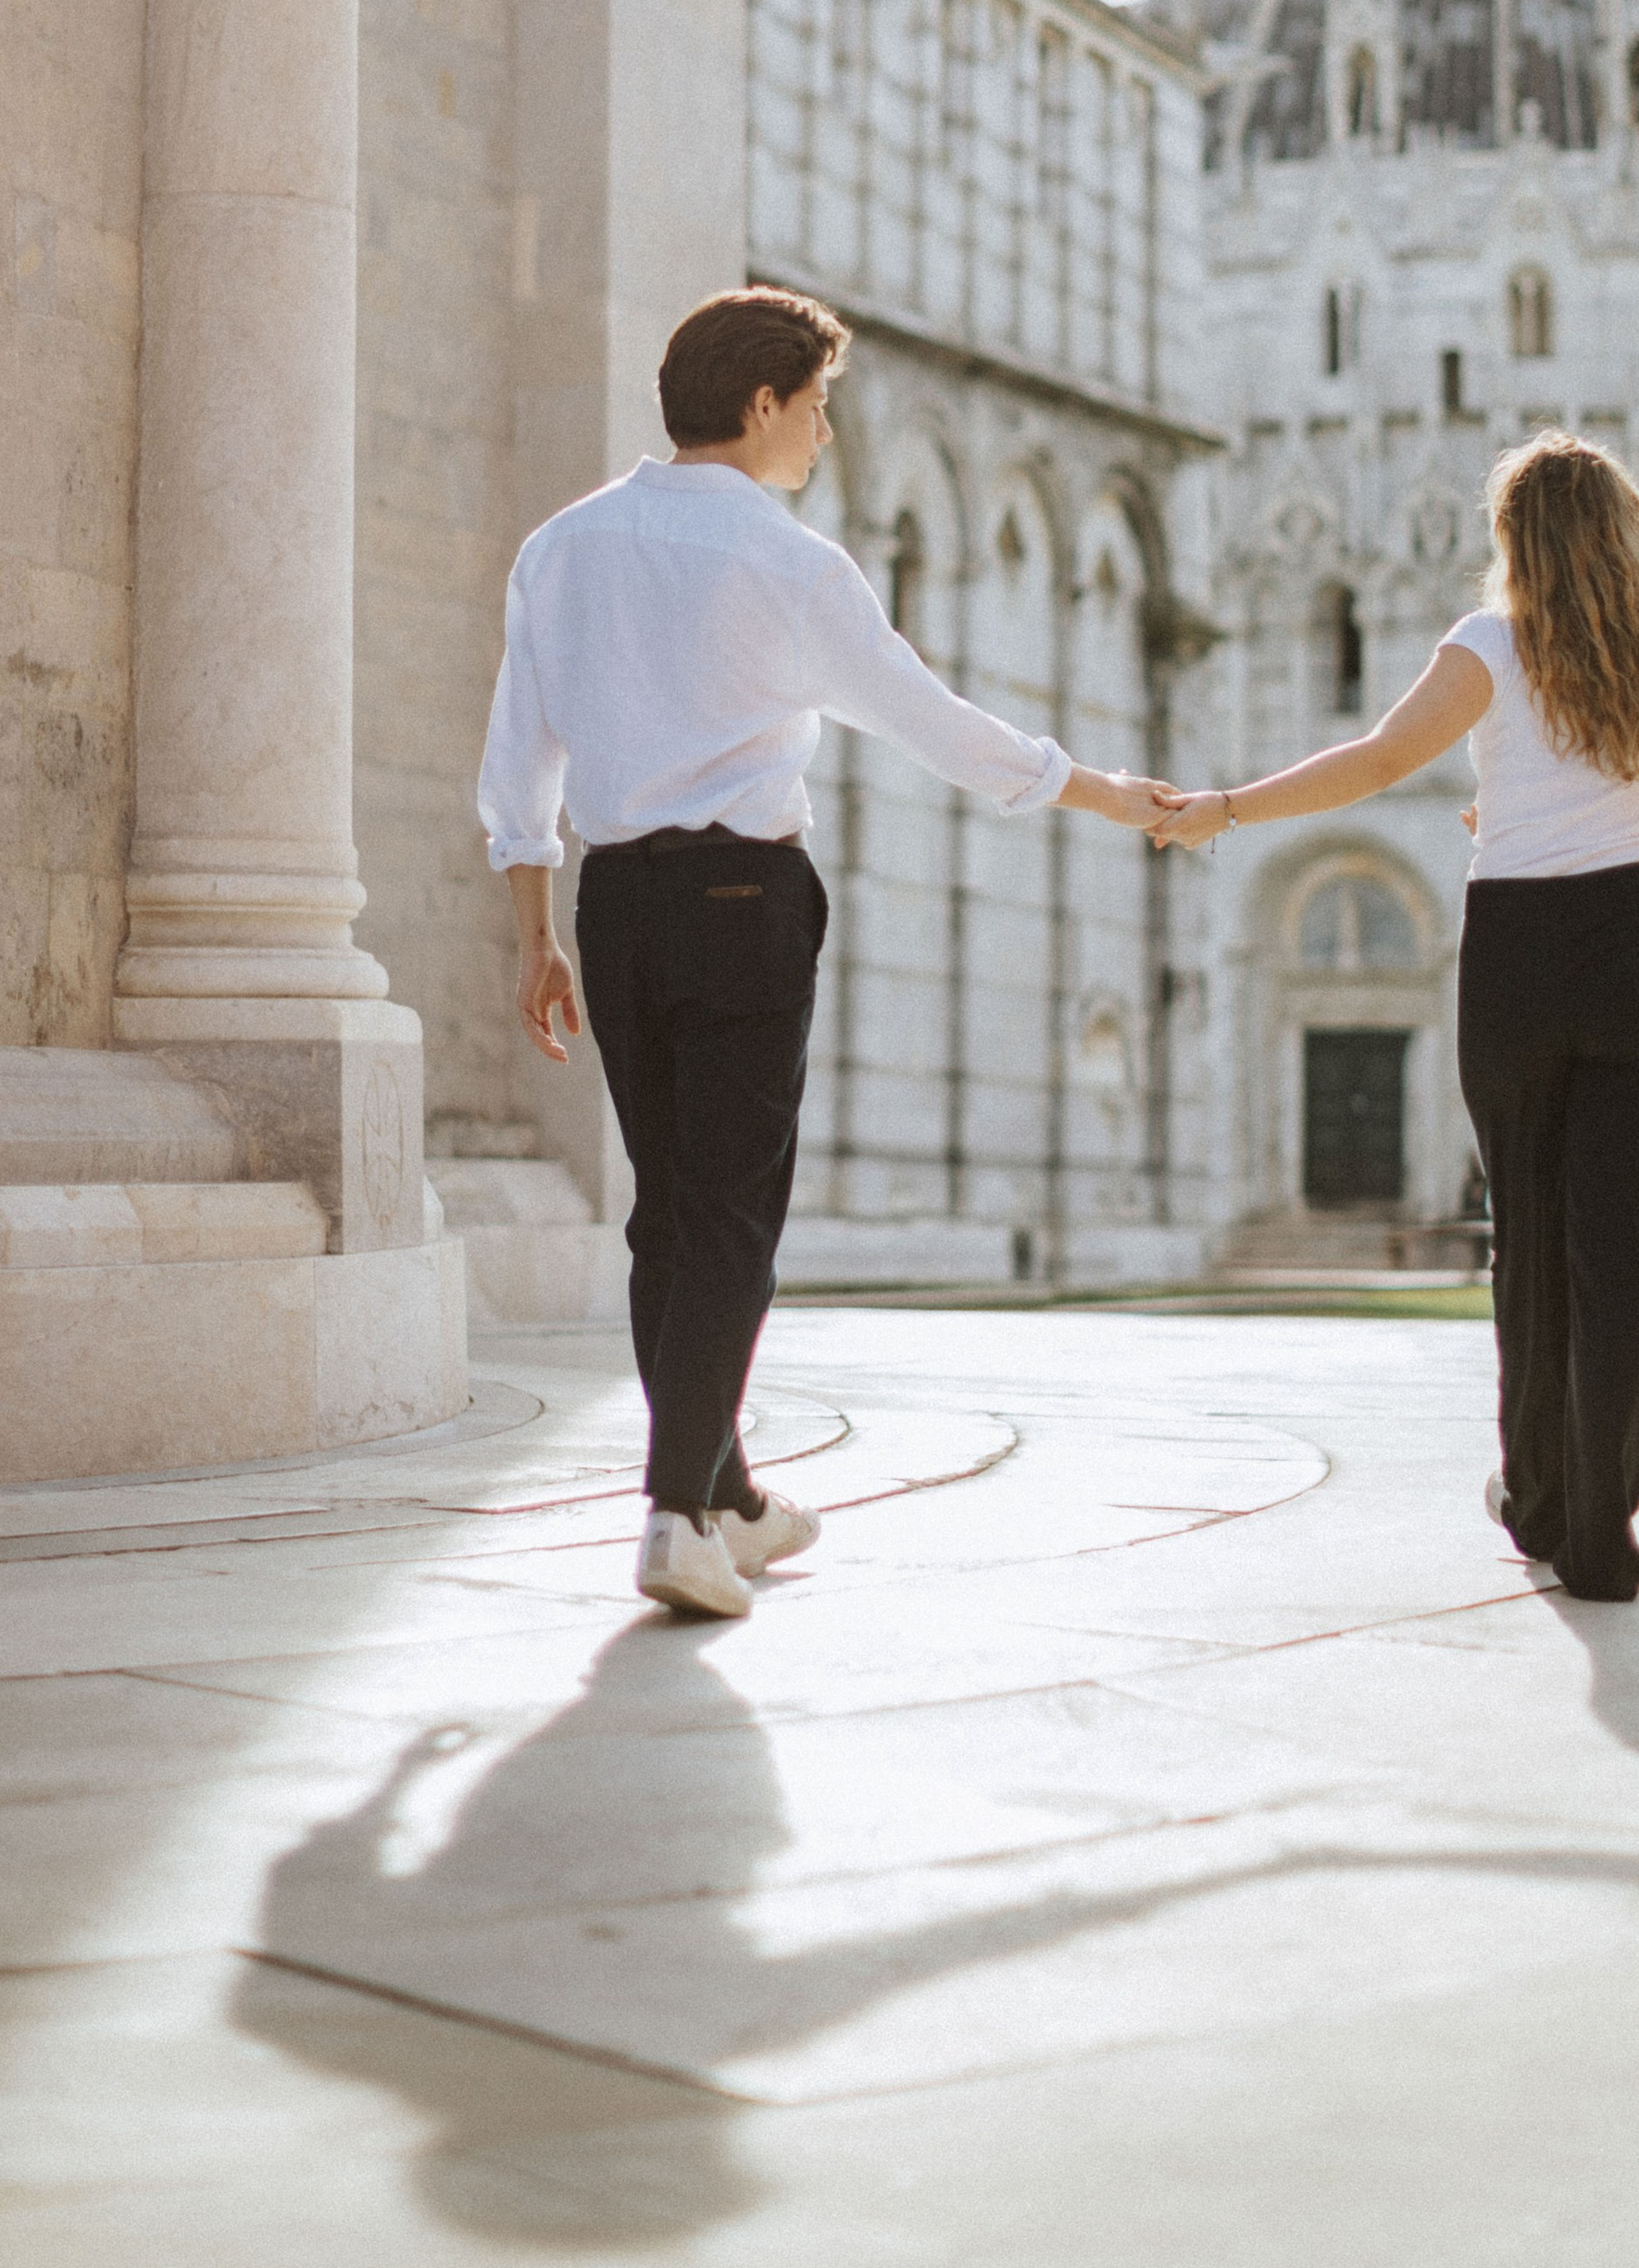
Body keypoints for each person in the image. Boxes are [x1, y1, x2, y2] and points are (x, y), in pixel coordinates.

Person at [478, 284, 1173, 1622]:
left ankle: (727, 1494)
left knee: (671, 1212)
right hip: (745, 895)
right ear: (761, 407)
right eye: (819, 408)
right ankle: (677, 1514)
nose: (826, 436)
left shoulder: (560, 549)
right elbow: (941, 728)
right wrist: (1109, 792)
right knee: (731, 1214)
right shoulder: (790, 564)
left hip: (612, 905)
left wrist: (534, 936)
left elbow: (521, 768)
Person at [1152, 432, 1639, 1600]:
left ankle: (1538, 1501)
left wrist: (1223, 807)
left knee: (1530, 1236)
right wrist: (1573, 822)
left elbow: (1375, 761)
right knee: (1624, 1252)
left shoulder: (1489, 648)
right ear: (1628, 542)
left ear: (1517, 544)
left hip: (1519, 955)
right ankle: (1607, 1530)